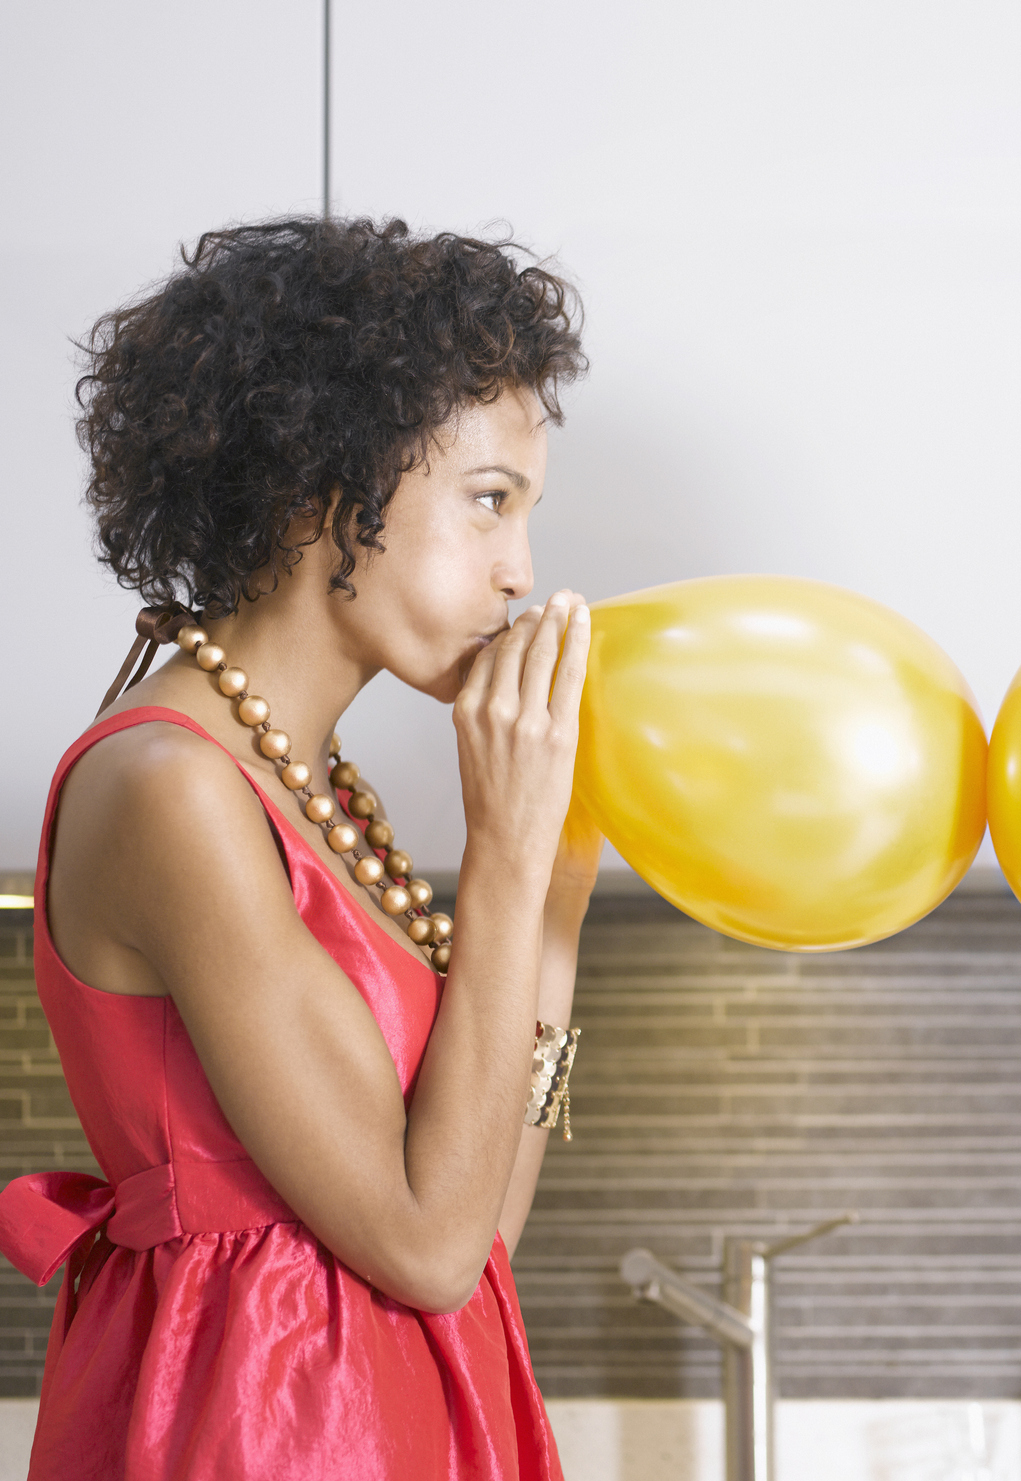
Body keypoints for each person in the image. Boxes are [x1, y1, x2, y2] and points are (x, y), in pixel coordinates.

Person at [0, 217, 596, 1479]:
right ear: (328, 488)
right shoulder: (171, 785)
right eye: (488, 502)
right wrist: (498, 861)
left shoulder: (321, 793)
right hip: (250, 1432)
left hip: (403, 1427)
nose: (520, 573)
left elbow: (486, 1221)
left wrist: (549, 907)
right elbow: (426, 1246)